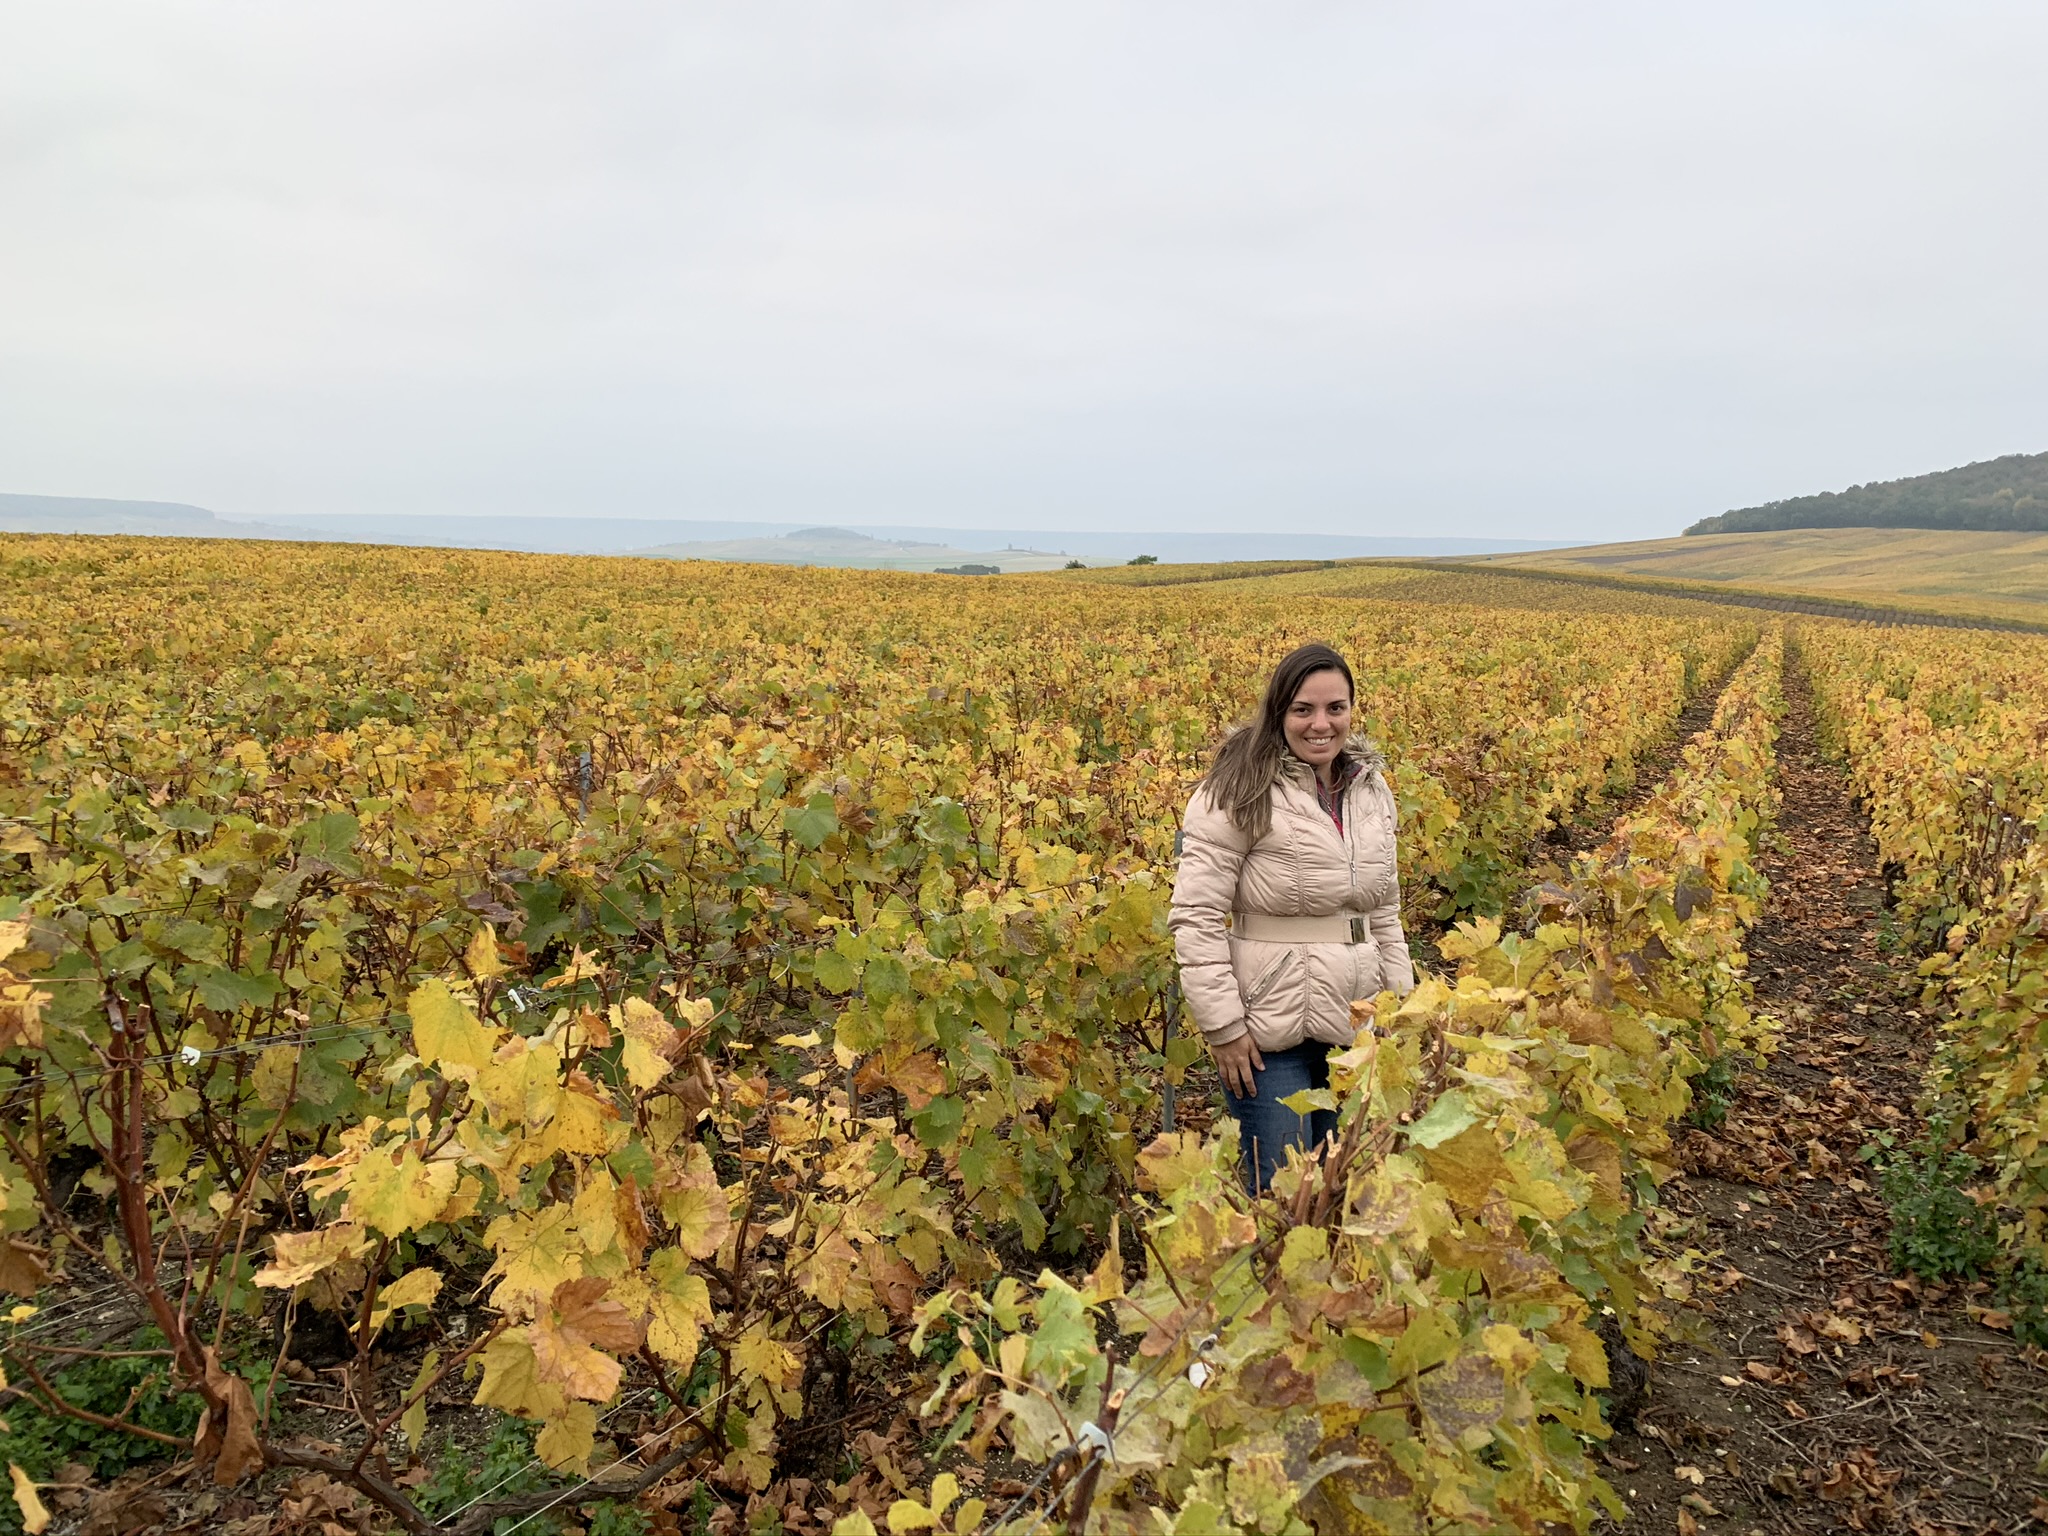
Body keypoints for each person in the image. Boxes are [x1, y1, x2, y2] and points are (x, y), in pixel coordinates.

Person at [1168, 642, 1415, 1192]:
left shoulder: (1369, 791)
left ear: (1352, 710)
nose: (1320, 724)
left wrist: (1401, 1007)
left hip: (1357, 1021)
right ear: (1279, 711)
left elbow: (1384, 912)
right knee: (1281, 1197)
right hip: (1267, 1032)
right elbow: (1196, 915)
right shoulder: (1236, 790)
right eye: (1303, 709)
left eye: (1335, 708)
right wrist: (1225, 1027)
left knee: (1346, 1188)